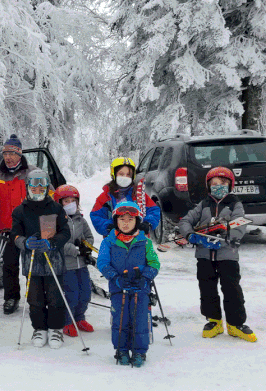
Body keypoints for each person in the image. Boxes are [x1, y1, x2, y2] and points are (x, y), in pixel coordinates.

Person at [178, 167, 256, 342]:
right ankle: (214, 321)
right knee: (207, 289)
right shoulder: (203, 204)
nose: (218, 186)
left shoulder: (235, 204)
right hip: (205, 255)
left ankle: (236, 324)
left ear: (230, 186)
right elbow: (185, 221)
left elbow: (239, 225)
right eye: (214, 184)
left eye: (222, 183)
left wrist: (228, 237)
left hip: (227, 255)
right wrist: (190, 235)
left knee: (232, 289)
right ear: (208, 186)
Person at [11, 169, 71, 349]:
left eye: (41, 188)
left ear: (46, 189)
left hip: (54, 261)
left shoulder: (56, 208)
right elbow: (14, 234)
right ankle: (39, 328)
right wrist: (25, 243)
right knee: (34, 298)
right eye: (34, 188)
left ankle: (55, 329)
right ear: (28, 188)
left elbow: (65, 232)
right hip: (32, 262)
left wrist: (53, 243)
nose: (37, 191)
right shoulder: (20, 211)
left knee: (55, 297)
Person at [97, 202, 160, 367]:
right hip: (119, 288)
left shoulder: (144, 242)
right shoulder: (109, 242)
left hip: (141, 287)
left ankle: (139, 351)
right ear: (116, 221)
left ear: (137, 221)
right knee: (120, 319)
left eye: (130, 219)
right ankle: (121, 350)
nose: (126, 222)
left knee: (140, 320)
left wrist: (145, 277)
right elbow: (103, 263)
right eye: (122, 219)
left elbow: (154, 263)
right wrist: (115, 278)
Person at [0, 134, 45, 314]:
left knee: (32, 265)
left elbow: (47, 194)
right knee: (9, 266)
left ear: (20, 155)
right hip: (8, 228)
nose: (8, 157)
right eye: (5, 153)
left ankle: (36, 298)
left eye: (12, 153)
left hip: (31, 229)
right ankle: (11, 298)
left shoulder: (33, 172)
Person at [54, 185, 95, 337]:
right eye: (66, 201)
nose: (70, 203)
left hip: (81, 264)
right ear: (59, 203)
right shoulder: (56, 221)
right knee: (72, 293)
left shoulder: (80, 220)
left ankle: (79, 318)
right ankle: (67, 321)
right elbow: (57, 242)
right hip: (67, 265)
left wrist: (85, 246)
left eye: (73, 200)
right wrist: (74, 249)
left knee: (85, 292)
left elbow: (89, 237)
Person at [90, 157, 159, 237]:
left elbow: (154, 210)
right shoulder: (106, 197)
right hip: (114, 240)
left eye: (128, 175)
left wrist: (148, 223)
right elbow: (96, 215)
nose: (125, 177)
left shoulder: (138, 194)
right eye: (121, 174)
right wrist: (108, 226)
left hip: (137, 239)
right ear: (114, 175)